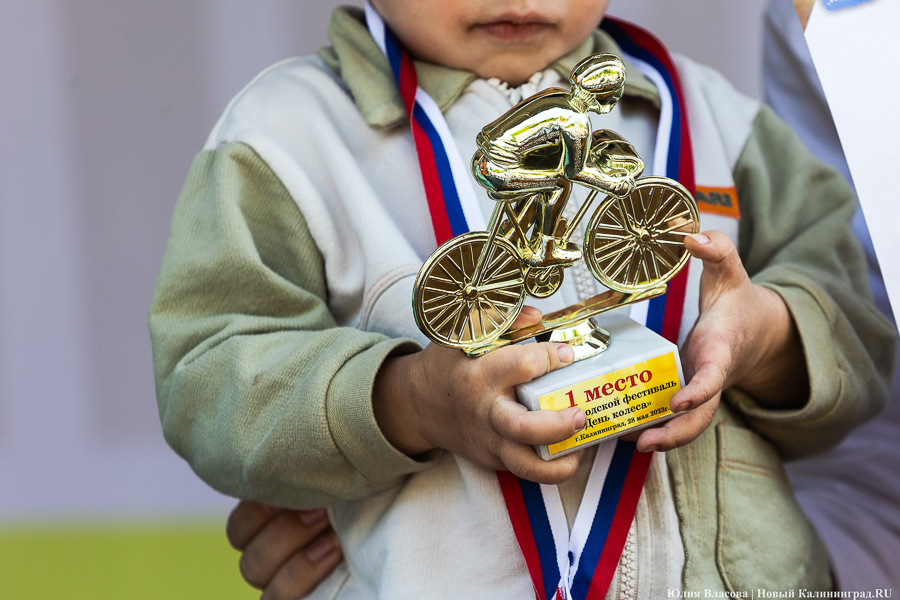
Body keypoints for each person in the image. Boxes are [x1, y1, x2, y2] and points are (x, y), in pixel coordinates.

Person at [149, 0, 894, 597]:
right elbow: (209, 373)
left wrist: (768, 336)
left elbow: (859, 320)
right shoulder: (284, 141)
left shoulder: (710, 117)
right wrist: (407, 400)